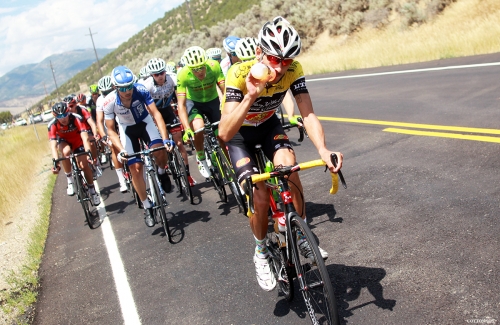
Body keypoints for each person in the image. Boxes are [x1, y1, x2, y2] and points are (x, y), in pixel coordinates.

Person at [219, 16, 344, 291]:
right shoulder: (239, 74)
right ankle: (261, 252)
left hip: (267, 126)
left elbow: (307, 113)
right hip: (240, 134)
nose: (280, 67)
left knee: (290, 167)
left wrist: (323, 149)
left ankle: (301, 234)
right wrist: (251, 95)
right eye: (275, 59)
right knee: (261, 193)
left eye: (286, 60)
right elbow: (224, 134)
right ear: (259, 53)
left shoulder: (293, 69)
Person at [103, 66, 173, 227]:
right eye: (123, 88)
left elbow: (155, 114)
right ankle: (147, 206)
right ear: (115, 87)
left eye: (130, 86)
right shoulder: (110, 101)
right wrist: (121, 150)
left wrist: (165, 138)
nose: (128, 91)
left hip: (144, 123)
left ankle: (162, 172)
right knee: (134, 168)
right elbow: (111, 130)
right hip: (127, 130)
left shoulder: (140, 90)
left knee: (160, 151)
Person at [140, 57, 196, 187]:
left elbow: (180, 97)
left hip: (168, 112)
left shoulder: (173, 78)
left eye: (162, 72)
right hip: (153, 116)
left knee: (179, 143)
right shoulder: (146, 85)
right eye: (156, 74)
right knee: (161, 146)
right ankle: (162, 169)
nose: (160, 76)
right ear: (151, 75)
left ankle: (187, 175)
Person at [176, 46, 225, 179]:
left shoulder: (214, 66)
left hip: (212, 100)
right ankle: (201, 156)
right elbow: (181, 105)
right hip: (194, 103)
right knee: (199, 128)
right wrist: (186, 129)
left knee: (222, 135)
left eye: (202, 67)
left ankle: (226, 161)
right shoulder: (183, 74)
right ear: (189, 68)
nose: (200, 71)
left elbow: (225, 91)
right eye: (195, 69)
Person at [48, 102, 101, 209]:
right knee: (65, 152)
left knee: (84, 165)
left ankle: (92, 191)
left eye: (64, 115)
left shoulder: (77, 118)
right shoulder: (52, 125)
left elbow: (85, 138)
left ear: (68, 112)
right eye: (59, 116)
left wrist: (88, 153)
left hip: (78, 141)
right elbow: (53, 146)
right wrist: (55, 163)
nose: (62, 119)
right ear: (55, 116)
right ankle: (70, 180)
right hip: (64, 141)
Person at [95, 75, 128, 193]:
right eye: (104, 92)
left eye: (109, 91)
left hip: (122, 120)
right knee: (114, 148)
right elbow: (99, 120)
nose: (107, 93)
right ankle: (121, 180)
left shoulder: (119, 94)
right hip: (110, 123)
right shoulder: (100, 100)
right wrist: (103, 135)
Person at [64, 94, 101, 176]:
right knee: (78, 161)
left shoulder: (82, 110)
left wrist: (95, 134)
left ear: (76, 104)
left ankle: (95, 162)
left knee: (91, 142)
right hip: (76, 133)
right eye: (67, 107)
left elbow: (92, 123)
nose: (69, 109)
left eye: (71, 106)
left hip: (86, 129)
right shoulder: (66, 115)